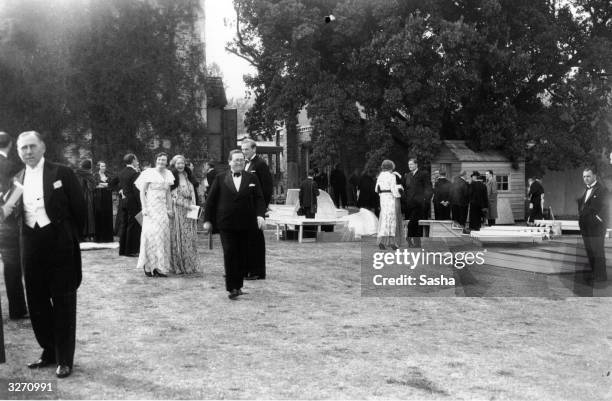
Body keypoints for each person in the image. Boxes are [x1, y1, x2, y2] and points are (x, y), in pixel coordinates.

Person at [14, 131, 86, 378]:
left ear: (43, 147)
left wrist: (69, 236)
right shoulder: (18, 179)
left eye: (32, 146)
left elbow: (79, 207)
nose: (28, 152)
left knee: (64, 302)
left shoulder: (62, 173)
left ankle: (65, 359)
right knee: (36, 302)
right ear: (18, 152)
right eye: (23, 148)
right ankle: (49, 351)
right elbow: (9, 210)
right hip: (31, 246)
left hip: (59, 245)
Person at [203, 150, 266, 299]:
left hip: (247, 223)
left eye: (241, 160)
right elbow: (210, 201)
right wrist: (207, 220)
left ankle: (238, 286)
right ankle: (232, 288)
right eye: (236, 160)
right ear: (229, 162)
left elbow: (259, 198)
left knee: (242, 254)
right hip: (226, 223)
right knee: (230, 252)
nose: (239, 162)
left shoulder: (252, 177)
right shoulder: (220, 178)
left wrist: (260, 215)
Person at [0, 132, 28, 320]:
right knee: (12, 266)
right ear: (10, 145)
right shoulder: (10, 167)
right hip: (5, 223)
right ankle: (17, 309)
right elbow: (18, 191)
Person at [135, 152, 174, 277]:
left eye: (164, 160)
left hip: (162, 209)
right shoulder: (148, 173)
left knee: (162, 236)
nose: (161, 162)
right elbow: (142, 192)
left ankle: (159, 267)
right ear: (156, 160)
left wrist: (170, 208)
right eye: (159, 159)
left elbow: (168, 194)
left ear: (166, 162)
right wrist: (144, 207)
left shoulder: (168, 174)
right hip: (151, 209)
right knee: (151, 236)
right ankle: (148, 265)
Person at [242, 139, 273, 280]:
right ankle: (247, 269)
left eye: (246, 149)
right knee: (247, 240)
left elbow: (267, 188)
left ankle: (257, 271)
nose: (244, 152)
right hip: (246, 209)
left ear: (254, 149)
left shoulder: (260, 164)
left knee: (256, 241)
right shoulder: (246, 164)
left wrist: (262, 210)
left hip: (257, 209)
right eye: (242, 149)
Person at [577, 167, 609, 285]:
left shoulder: (602, 189)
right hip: (585, 225)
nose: (586, 179)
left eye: (588, 176)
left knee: (597, 250)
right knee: (590, 250)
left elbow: (607, 206)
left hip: (596, 226)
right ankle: (595, 274)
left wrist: (599, 219)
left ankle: (601, 276)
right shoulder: (586, 190)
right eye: (584, 176)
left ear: (594, 176)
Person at [169, 155, 199, 274]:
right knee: (179, 238)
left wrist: (193, 207)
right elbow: (172, 197)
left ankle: (189, 265)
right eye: (178, 163)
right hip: (178, 211)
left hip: (190, 211)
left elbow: (193, 194)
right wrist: (187, 205)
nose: (180, 165)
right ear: (174, 165)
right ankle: (178, 266)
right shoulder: (171, 178)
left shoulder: (188, 176)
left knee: (189, 238)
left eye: (182, 163)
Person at [402, 158, 432, 247]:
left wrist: (426, 199)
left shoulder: (423, 174)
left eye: (411, 164)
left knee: (414, 222)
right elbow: (405, 189)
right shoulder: (407, 175)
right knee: (415, 222)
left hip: (420, 203)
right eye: (409, 164)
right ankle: (417, 243)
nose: (409, 166)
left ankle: (409, 237)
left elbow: (428, 187)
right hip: (409, 203)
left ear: (416, 165)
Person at [117, 154, 141, 256]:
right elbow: (136, 190)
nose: (137, 161)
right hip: (132, 202)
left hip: (123, 201)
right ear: (133, 161)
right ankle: (131, 250)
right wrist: (141, 203)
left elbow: (112, 184)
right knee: (133, 225)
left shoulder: (121, 172)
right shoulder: (134, 173)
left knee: (124, 224)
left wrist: (121, 191)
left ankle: (122, 250)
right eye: (136, 160)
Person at [375, 160, 401, 250]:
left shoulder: (380, 176)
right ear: (391, 167)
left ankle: (382, 242)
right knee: (391, 219)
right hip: (390, 198)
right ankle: (392, 242)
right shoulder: (392, 176)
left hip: (383, 198)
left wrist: (381, 194)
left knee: (384, 218)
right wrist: (399, 194)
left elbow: (376, 189)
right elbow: (394, 189)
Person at [93, 161, 114, 242]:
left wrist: (102, 184)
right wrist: (105, 184)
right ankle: (99, 237)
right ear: (98, 167)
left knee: (107, 214)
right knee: (99, 215)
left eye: (104, 166)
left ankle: (107, 237)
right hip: (99, 197)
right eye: (102, 166)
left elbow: (111, 184)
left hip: (107, 197)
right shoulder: (95, 175)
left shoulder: (108, 175)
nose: (104, 168)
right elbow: (95, 185)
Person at [75, 160, 96, 241]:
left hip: (76, 197)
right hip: (86, 197)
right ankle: (88, 234)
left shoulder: (76, 173)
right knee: (88, 215)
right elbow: (92, 186)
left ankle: (80, 234)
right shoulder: (88, 174)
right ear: (89, 167)